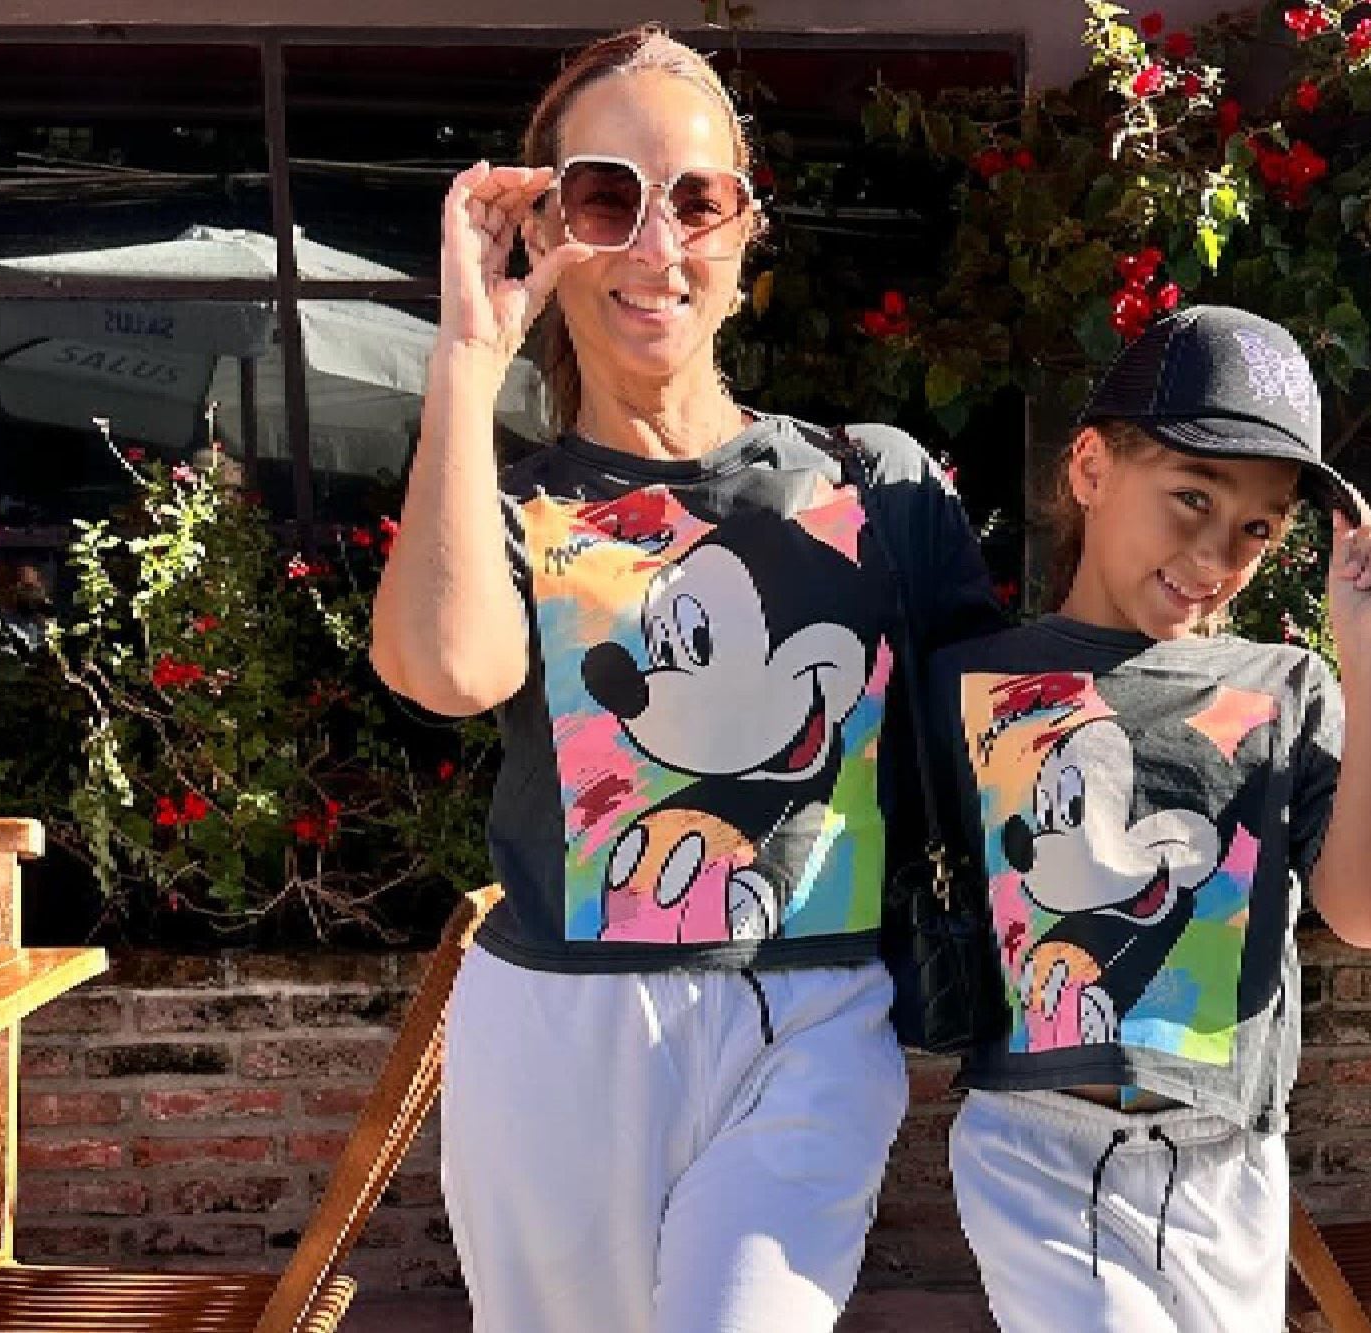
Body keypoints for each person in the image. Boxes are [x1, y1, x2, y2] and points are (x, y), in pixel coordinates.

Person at [368, 26, 999, 1333]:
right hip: (557, 1031)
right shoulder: (516, 506)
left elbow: (992, 742)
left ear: (745, 228)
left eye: (697, 199)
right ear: (551, 229)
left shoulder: (875, 484)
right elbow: (447, 670)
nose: (657, 244)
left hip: (813, 1011)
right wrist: (468, 361)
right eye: (607, 198)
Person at [929, 305, 1371, 1332]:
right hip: (1036, 1146)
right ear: (1089, 467)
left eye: (1256, 528)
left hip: (1227, 1162)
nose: (1215, 553)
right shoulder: (971, 680)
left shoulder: (1285, 686)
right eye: (1191, 496)